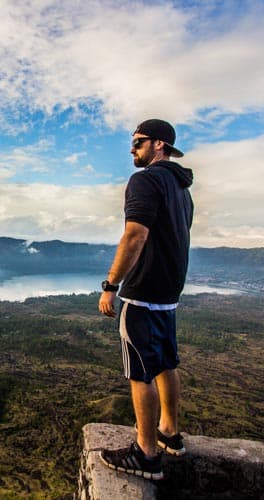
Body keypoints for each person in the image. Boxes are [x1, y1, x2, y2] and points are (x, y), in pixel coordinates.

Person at [98, 118, 194, 480]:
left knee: (140, 372)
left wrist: (111, 284)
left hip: (143, 294)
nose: (131, 149)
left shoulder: (145, 180)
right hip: (169, 293)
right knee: (166, 363)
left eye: (137, 142)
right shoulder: (181, 190)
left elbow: (134, 236)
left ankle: (146, 453)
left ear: (159, 145)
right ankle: (169, 432)